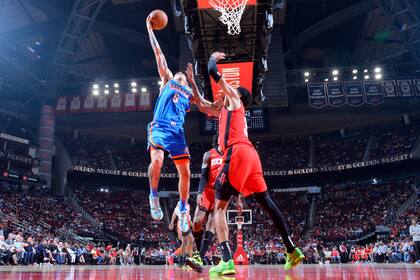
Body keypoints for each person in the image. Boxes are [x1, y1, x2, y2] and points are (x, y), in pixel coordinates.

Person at [186, 53, 304, 276]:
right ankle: (291, 249)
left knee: (219, 208)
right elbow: (202, 105)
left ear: (237, 95)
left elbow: (212, 71)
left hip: (238, 152)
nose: (221, 93)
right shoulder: (224, 110)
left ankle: (226, 260)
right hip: (252, 156)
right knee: (266, 201)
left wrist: (212, 57)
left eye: (225, 92)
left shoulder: (234, 100)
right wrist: (192, 84)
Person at [145, 14, 193, 232]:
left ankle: (183, 210)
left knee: (187, 173)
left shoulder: (190, 92)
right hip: (159, 128)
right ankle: (153, 196)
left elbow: (205, 105)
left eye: (183, 76)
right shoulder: (168, 80)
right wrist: (150, 30)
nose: (181, 75)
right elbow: (159, 55)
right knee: (157, 162)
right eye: (179, 74)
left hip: (177, 133)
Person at [186, 134, 223, 272]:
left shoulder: (230, 155)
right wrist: (200, 193)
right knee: (196, 222)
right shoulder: (208, 154)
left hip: (220, 194)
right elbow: (203, 175)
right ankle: (198, 251)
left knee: (211, 223)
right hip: (207, 192)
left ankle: (199, 257)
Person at [169, 201, 194, 267]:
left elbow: (190, 222)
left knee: (189, 243)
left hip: (187, 228)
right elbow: (175, 212)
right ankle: (180, 258)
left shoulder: (188, 209)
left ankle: (184, 259)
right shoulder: (180, 202)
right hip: (181, 226)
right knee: (186, 243)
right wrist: (171, 222)